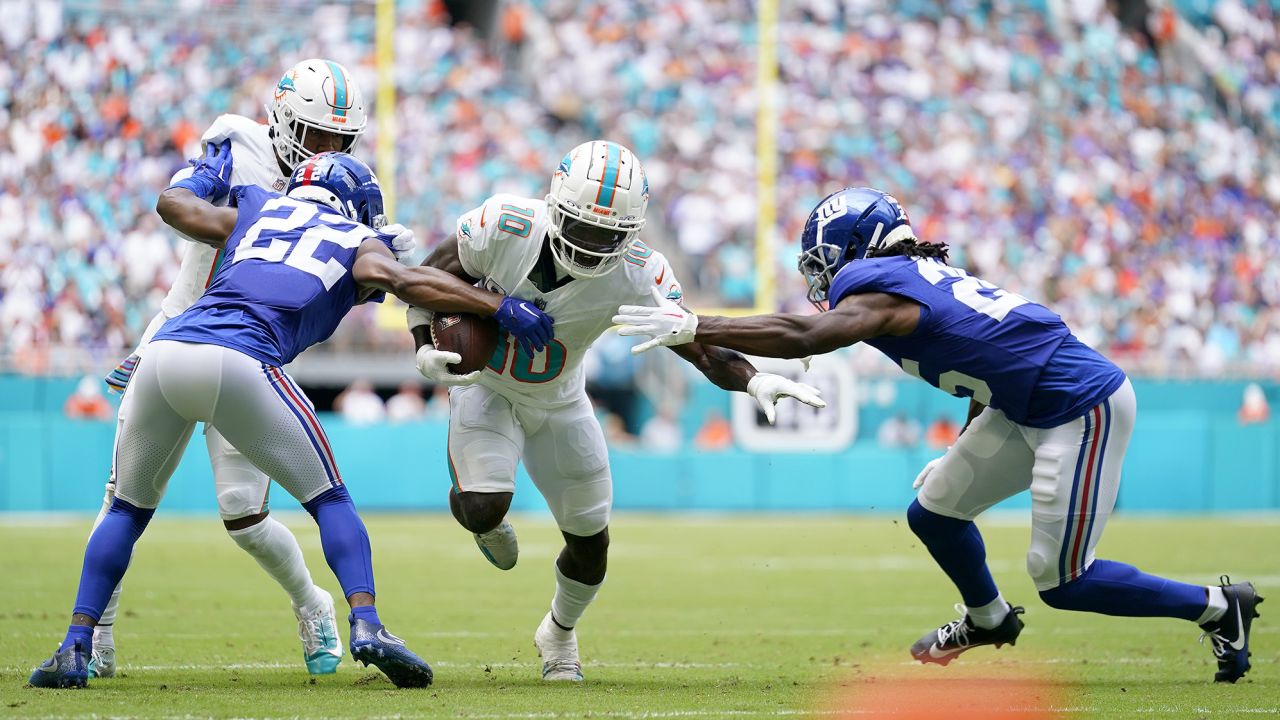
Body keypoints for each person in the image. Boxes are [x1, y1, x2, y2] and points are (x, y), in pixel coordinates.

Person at [613, 186, 1263, 683]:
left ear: (857, 248)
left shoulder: (880, 287)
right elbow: (993, 364)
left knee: (1061, 579)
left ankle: (1214, 605)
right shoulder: (918, 278)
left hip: (1078, 405)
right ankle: (988, 619)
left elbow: (809, 336)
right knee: (935, 512)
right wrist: (961, 445)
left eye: (824, 260)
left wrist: (701, 324)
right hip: (1024, 402)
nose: (822, 276)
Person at [28, 145, 554, 689]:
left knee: (126, 511)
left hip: (163, 353)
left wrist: (204, 171)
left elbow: (175, 207)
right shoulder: (356, 238)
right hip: (242, 360)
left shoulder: (256, 208)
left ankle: (74, 645)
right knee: (329, 499)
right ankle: (367, 623)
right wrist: (495, 306)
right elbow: (403, 284)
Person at [407, 140, 825, 682]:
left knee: (591, 544)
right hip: (487, 387)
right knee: (483, 508)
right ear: (556, 207)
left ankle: (558, 633)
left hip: (560, 400)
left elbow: (696, 343)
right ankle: (482, 520)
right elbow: (424, 278)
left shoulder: (636, 272)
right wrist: (424, 341)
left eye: (607, 235)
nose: (589, 245)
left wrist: (753, 378)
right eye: (581, 227)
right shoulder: (505, 224)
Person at [90, 59, 408, 678]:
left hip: (254, 350)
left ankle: (310, 601)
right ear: (285, 122)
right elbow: (182, 202)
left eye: (342, 140)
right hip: (182, 328)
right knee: (121, 492)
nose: (330, 150)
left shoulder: (344, 181)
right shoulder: (238, 145)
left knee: (243, 510)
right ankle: (94, 637)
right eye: (319, 136)